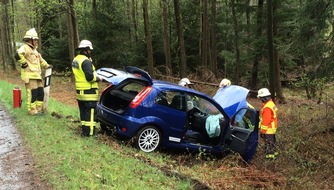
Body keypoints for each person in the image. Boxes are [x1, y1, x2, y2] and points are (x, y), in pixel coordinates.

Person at [15, 28, 52, 115]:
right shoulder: (25, 47)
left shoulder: (34, 50)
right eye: (35, 40)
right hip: (29, 76)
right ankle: (32, 111)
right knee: (32, 93)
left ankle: (38, 110)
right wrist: (24, 63)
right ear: (29, 40)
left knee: (40, 92)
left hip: (37, 76)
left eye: (36, 40)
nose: (36, 41)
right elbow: (18, 54)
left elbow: (41, 60)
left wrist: (47, 66)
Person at [72, 40, 102, 137]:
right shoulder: (86, 61)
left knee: (83, 112)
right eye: (90, 50)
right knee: (90, 114)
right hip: (89, 92)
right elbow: (89, 77)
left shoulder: (76, 59)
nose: (90, 52)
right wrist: (98, 78)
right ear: (87, 50)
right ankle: (90, 134)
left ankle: (85, 131)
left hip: (80, 92)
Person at [257, 88, 278, 159]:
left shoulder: (267, 108)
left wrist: (263, 131)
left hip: (268, 129)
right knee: (272, 143)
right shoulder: (271, 104)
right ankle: (274, 156)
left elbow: (266, 120)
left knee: (269, 144)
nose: (261, 100)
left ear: (264, 98)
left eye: (261, 98)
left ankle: (270, 158)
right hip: (272, 128)